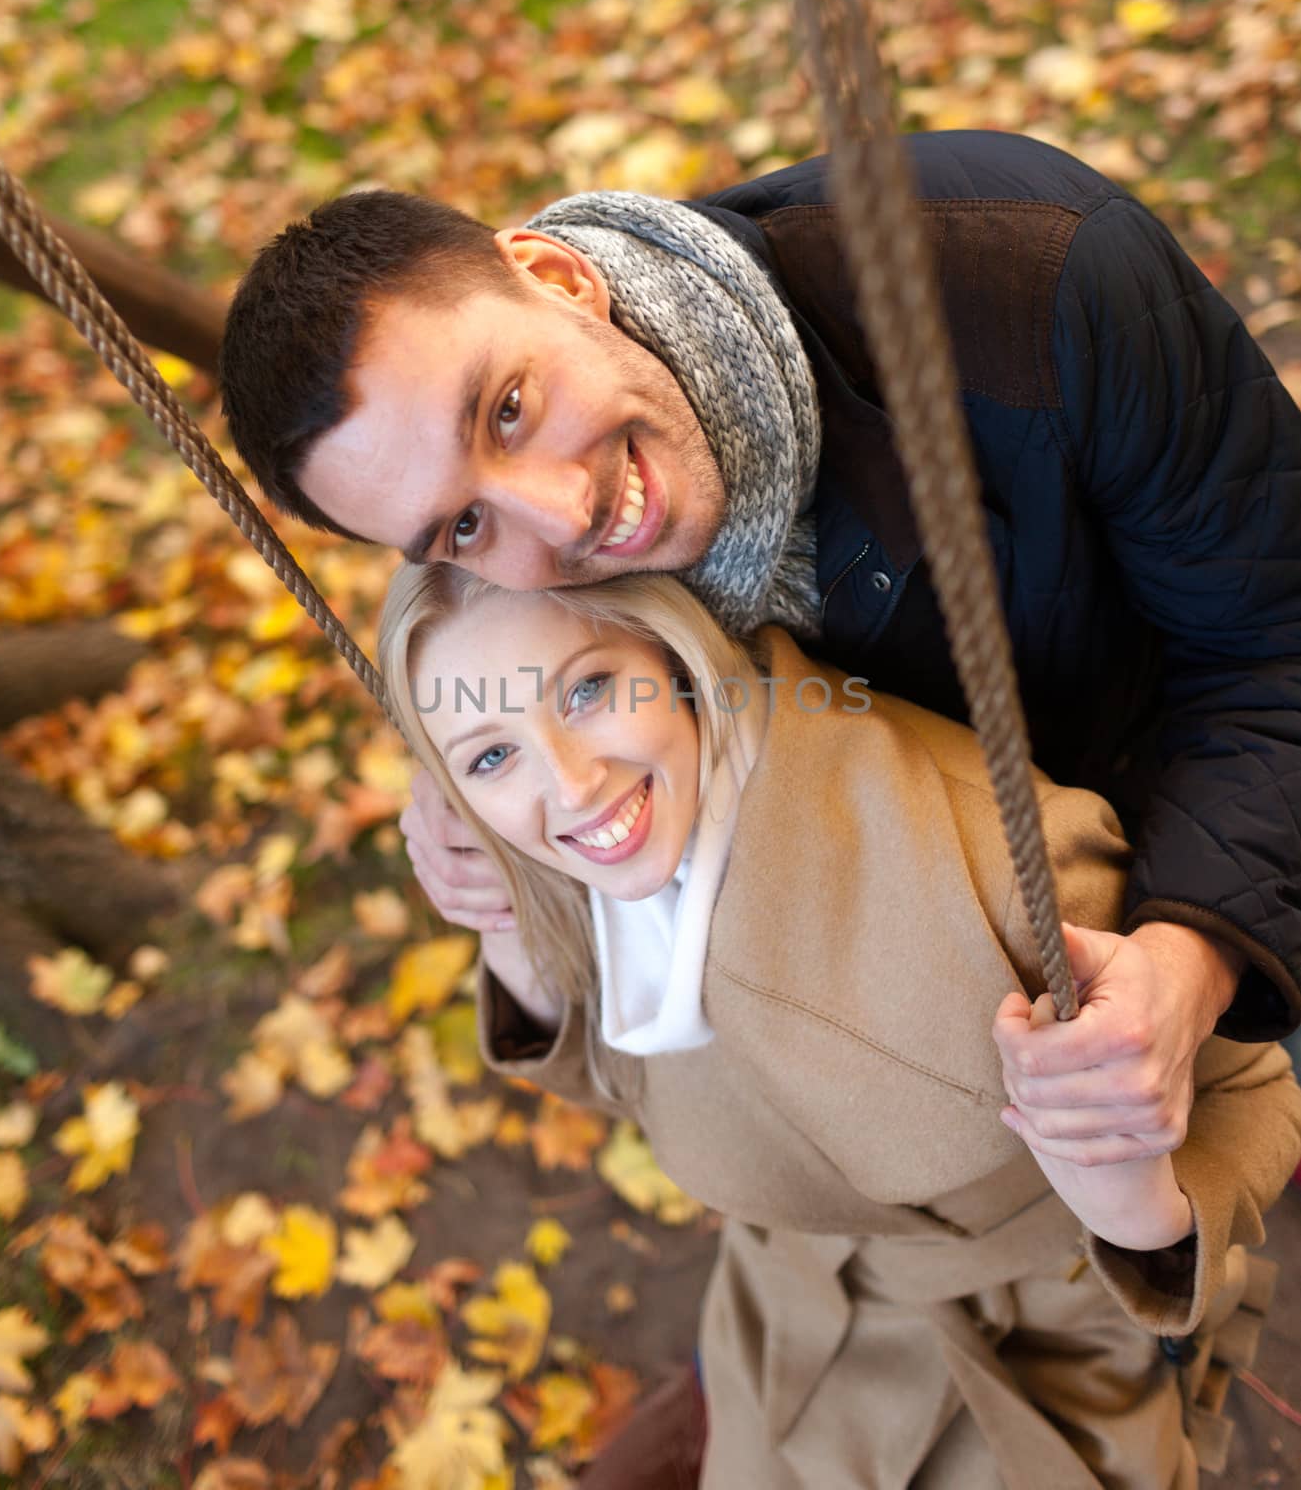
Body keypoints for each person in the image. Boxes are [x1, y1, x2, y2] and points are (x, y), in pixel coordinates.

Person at [217, 130, 1301, 1173]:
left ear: (555, 276)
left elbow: (1277, 645)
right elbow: (487, 678)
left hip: (1223, 842)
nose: (562, 517)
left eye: (508, 410)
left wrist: (1195, 957)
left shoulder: (1035, 275)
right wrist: (460, 782)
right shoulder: (522, 590)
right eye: (459, 526)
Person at [375, 560, 1301, 1490]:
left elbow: (1247, 1088)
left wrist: (1131, 1207)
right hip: (780, 1316)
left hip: (1043, 1347)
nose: (571, 785)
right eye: (489, 755)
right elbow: (633, 1083)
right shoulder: (608, 871)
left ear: (669, 650)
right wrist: (509, 923)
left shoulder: (977, 859)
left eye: (587, 689)